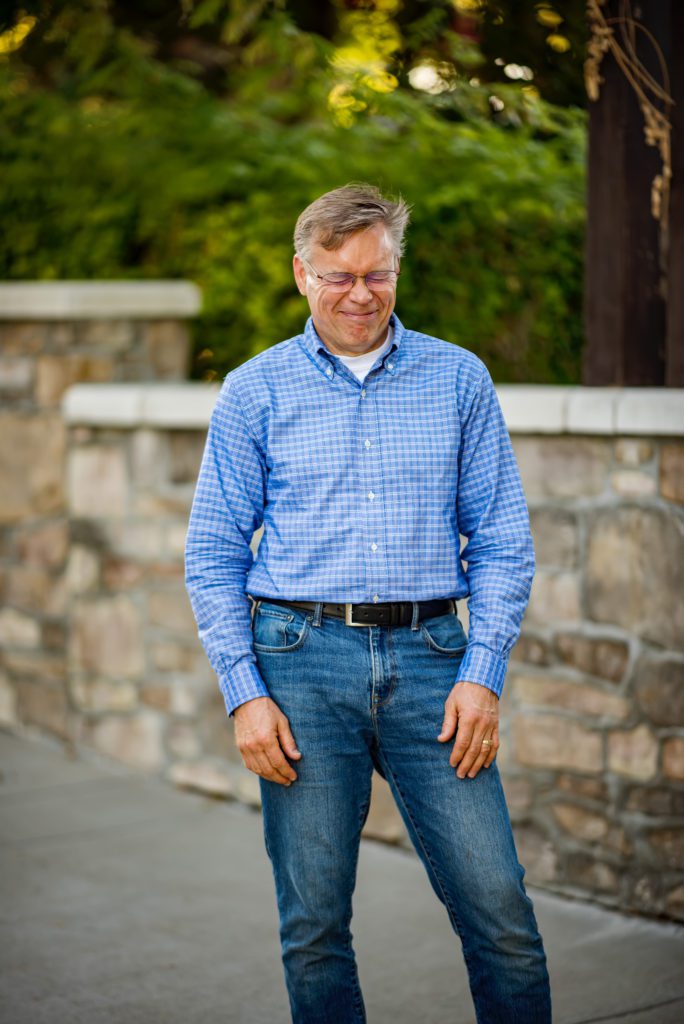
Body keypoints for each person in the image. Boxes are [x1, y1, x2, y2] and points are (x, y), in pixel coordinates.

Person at [185, 183, 551, 1023]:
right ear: (302, 275)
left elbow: (501, 542)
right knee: (314, 923)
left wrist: (483, 671)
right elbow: (210, 554)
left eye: (378, 273)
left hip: (434, 665)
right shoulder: (254, 391)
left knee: (500, 910)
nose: (361, 293)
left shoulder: (459, 379)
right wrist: (246, 693)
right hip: (298, 661)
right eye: (339, 275)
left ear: (397, 269)